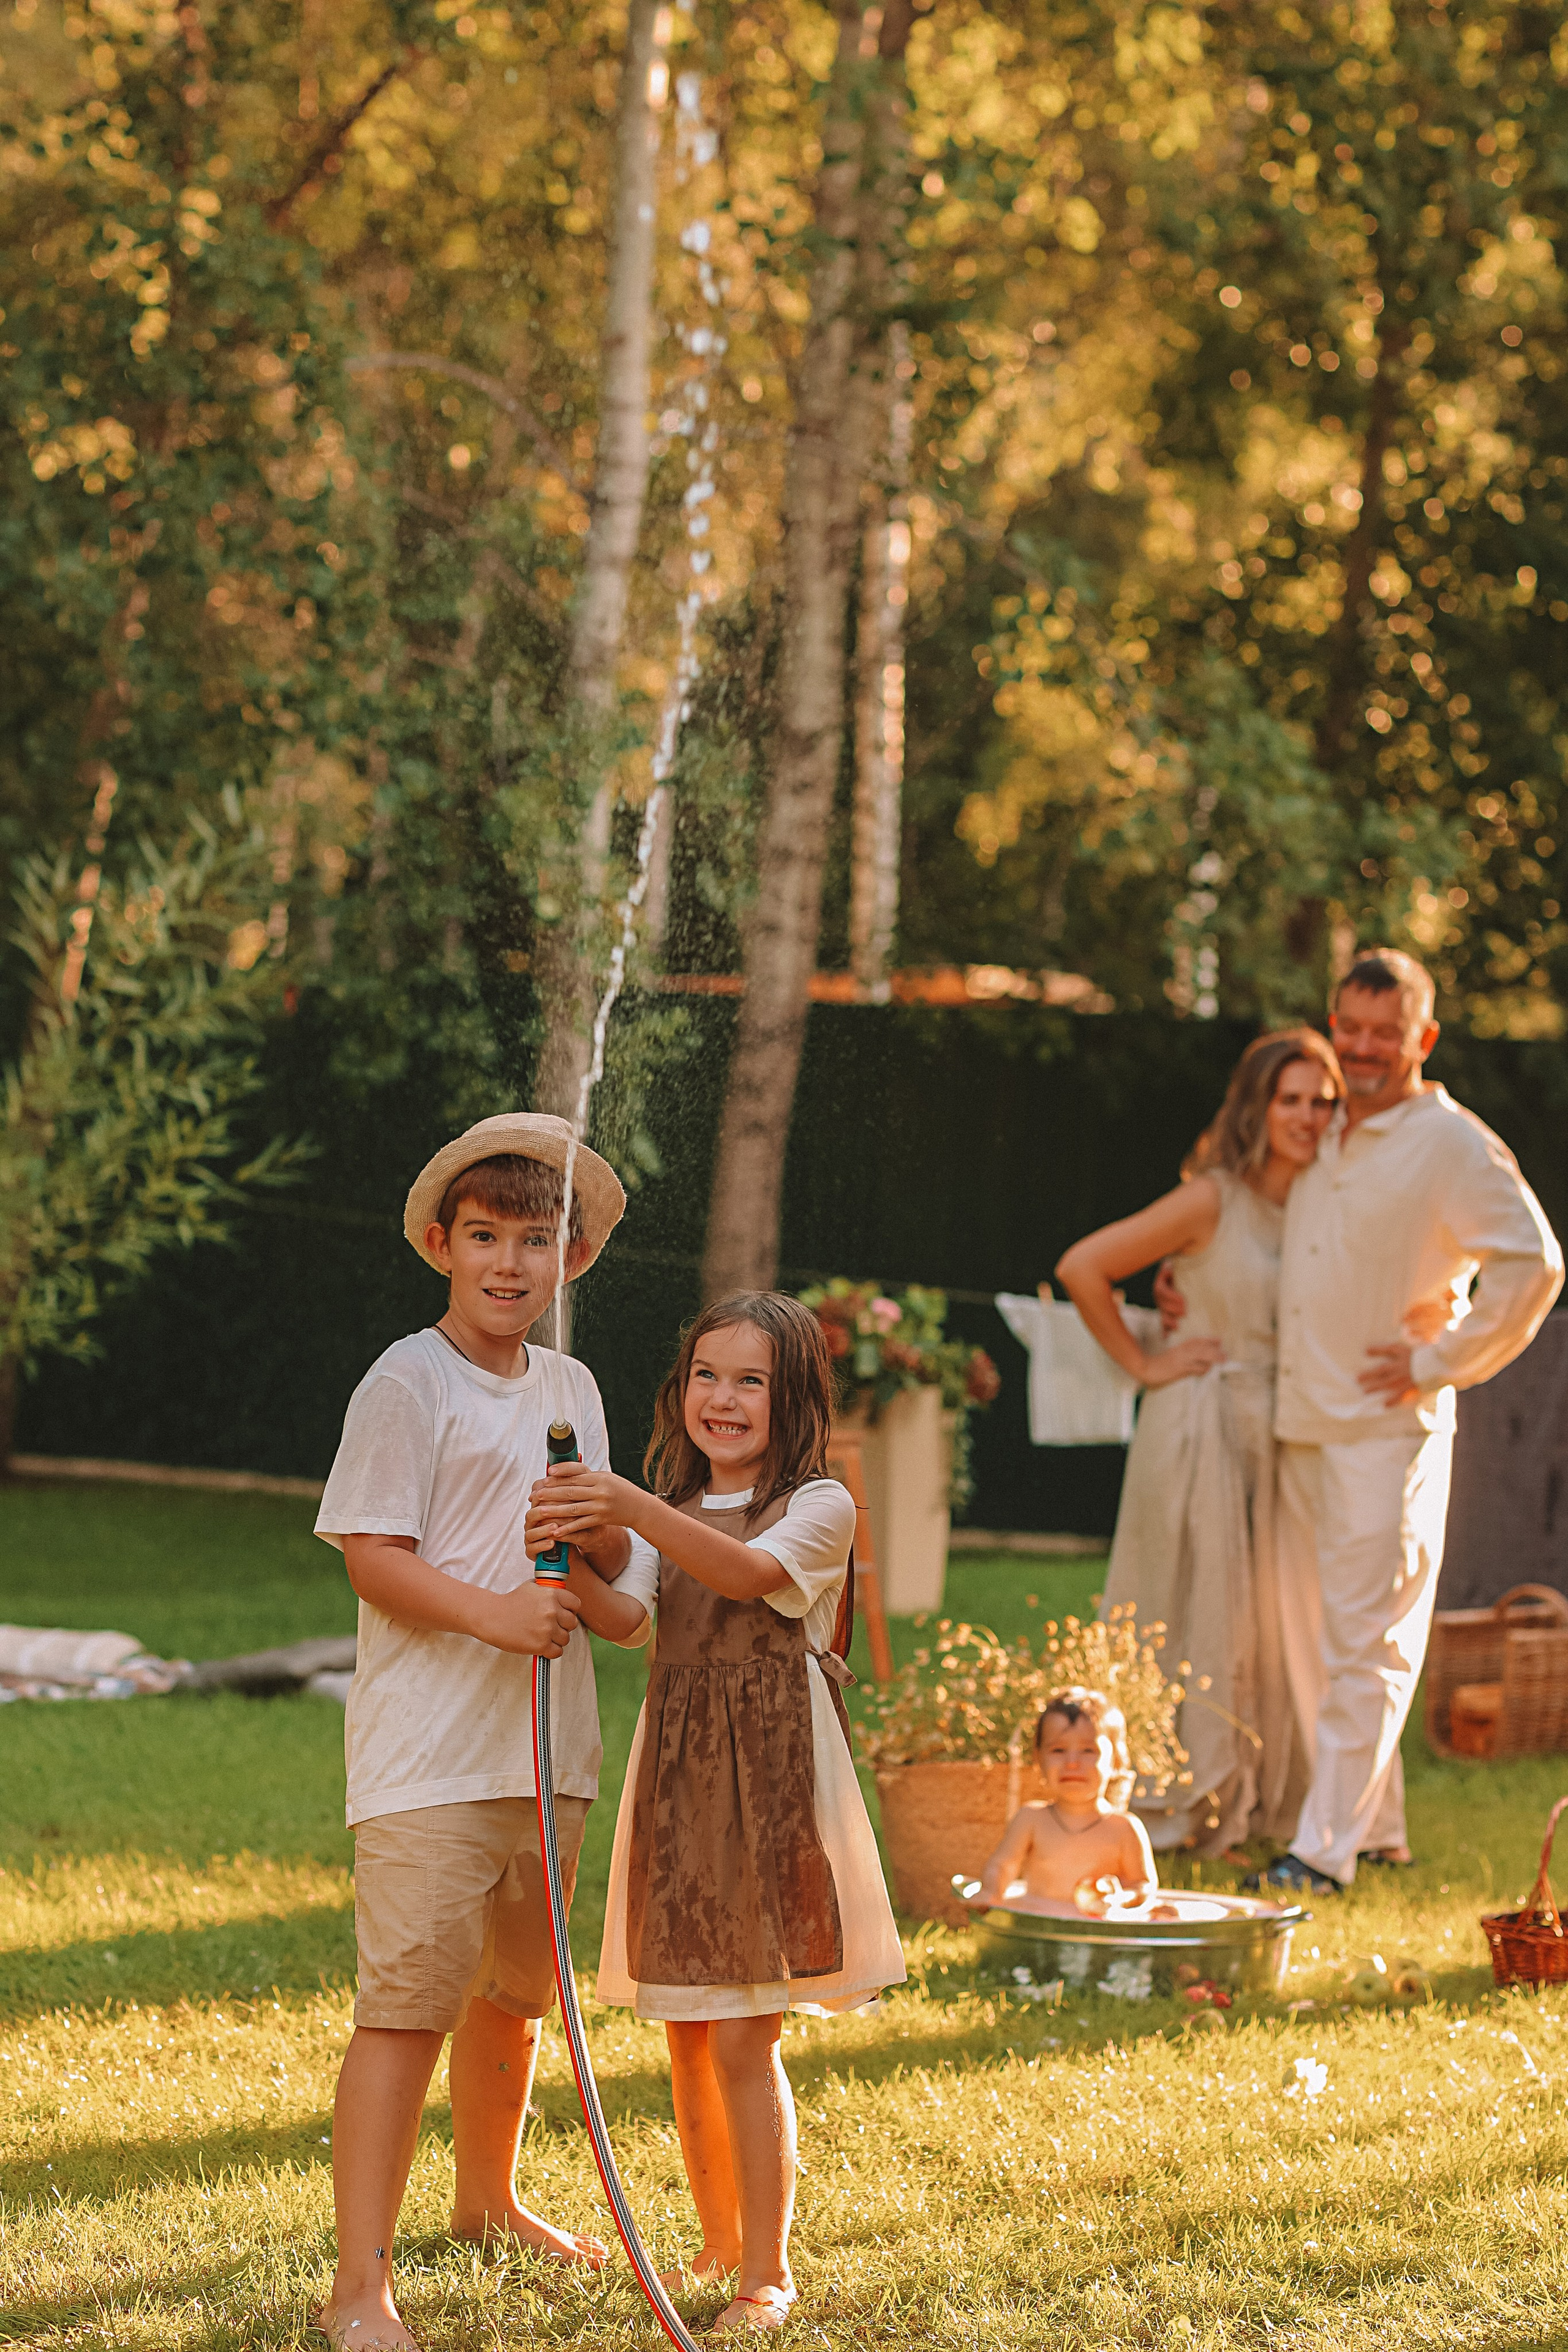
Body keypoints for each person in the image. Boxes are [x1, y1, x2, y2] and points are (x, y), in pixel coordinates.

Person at [312, 1114, 658, 2352]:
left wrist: (610, 1558)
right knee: (407, 2007)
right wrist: (501, 1619)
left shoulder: (572, 1389)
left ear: (570, 1258)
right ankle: (360, 2287)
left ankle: (487, 2199)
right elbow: (372, 1561)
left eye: (534, 1240)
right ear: (439, 1245)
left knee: (511, 1999)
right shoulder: (407, 1380)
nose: (508, 1263)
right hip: (428, 1762)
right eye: (483, 1238)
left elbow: (609, 1582)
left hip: (547, 1755)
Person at [526, 1292, 905, 2336]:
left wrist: (631, 1511)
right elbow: (631, 1620)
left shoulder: (818, 1506)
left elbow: (742, 1574)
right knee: (689, 2032)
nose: (723, 1398)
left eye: (752, 1381)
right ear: (679, 1387)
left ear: (795, 1402)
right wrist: (567, 1559)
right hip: (682, 1787)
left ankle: (768, 2273)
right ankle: (718, 2235)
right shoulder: (669, 1506)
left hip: (773, 1786)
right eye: (707, 1375)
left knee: (747, 2039)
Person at [1238, 951, 1562, 1894]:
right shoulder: (1326, 1130)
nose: (1366, 1047)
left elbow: (1532, 1265)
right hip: (1302, 1423)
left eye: (1387, 1032)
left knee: (1366, 1645)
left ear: (1422, 1039)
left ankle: (1323, 1854)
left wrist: (1435, 1361)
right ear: (1334, 1024)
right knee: (1310, 1644)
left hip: (1387, 1435)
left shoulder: (1453, 1143)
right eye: (1352, 1027)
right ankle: (1373, 1829)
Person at [1055, 1030, 1345, 1853]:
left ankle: (1255, 1793)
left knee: (1270, 1621)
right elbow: (1085, 1266)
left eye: (1323, 1100)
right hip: (1200, 1422)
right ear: (1256, 1106)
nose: (1308, 1115)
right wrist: (1147, 1364)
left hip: (1284, 1434)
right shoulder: (1212, 1198)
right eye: (1290, 1098)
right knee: (1184, 1601)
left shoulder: (1327, 1205)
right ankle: (1166, 1792)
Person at [967, 1686, 1158, 1920]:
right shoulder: (1031, 1819)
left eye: (1089, 1750)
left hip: (1097, 1926)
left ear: (1116, 1759)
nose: (1072, 1763)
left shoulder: (1123, 1828)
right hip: (1041, 1923)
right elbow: (1003, 1865)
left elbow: (1143, 1886)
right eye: (1058, 1750)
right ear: (1038, 1759)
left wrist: (1120, 1898)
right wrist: (991, 1892)